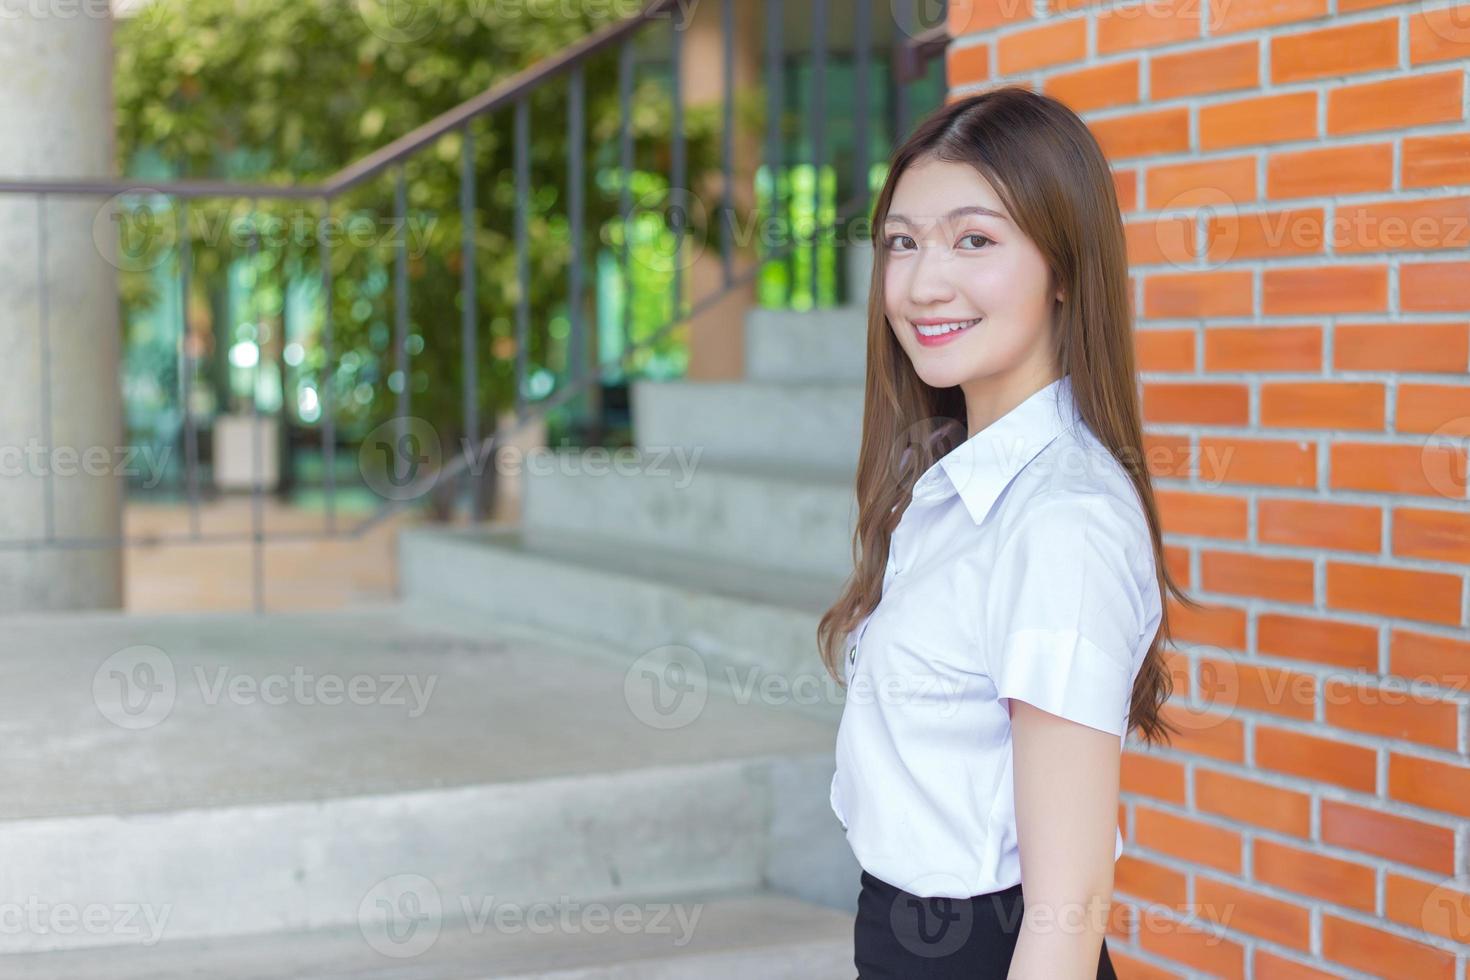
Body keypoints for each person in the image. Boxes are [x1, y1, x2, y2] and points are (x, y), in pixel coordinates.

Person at [819, 85, 1201, 978]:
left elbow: (1065, 916)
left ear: (1063, 268)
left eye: (974, 240)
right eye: (902, 242)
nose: (922, 282)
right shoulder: (953, 486)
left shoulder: (1059, 521)